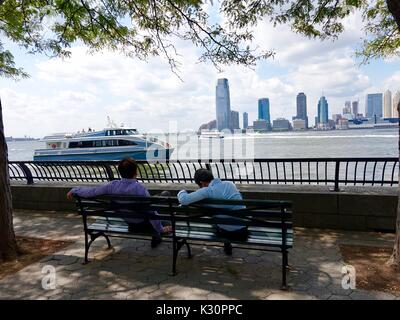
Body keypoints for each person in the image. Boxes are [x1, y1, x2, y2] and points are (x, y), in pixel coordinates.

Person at [67, 157, 171, 247]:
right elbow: (152, 213)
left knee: (159, 200)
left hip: (128, 220)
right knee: (166, 219)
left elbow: (91, 192)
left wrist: (75, 190)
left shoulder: (112, 185)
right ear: (136, 172)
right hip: (141, 222)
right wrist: (160, 229)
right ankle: (156, 234)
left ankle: (155, 233)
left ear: (120, 172)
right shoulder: (141, 189)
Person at [177, 169, 247, 255]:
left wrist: (182, 191)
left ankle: (226, 242)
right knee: (220, 215)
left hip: (226, 232)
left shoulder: (207, 191)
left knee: (214, 218)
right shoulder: (230, 184)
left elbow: (184, 200)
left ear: (202, 182)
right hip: (243, 229)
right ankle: (227, 245)